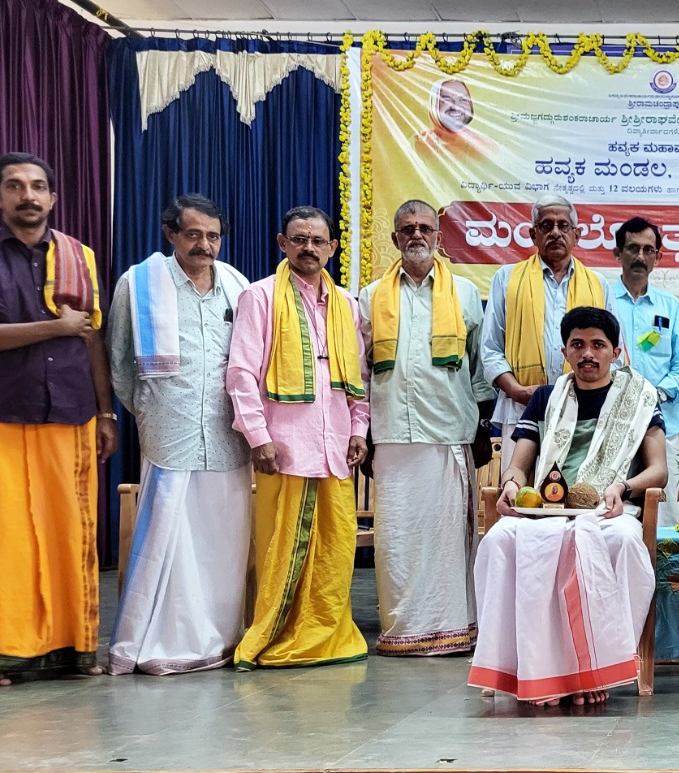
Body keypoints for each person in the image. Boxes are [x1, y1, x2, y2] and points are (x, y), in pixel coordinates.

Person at [0, 152, 118, 688]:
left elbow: (92, 339)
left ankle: (75, 649)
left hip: (71, 413)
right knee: (1, 538)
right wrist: (54, 327)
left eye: (37, 186)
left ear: (53, 197)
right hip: (1, 413)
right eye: (14, 186)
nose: (27, 195)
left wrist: (105, 412)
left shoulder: (79, 256)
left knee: (70, 534)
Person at [470, 306, 666, 705]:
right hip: (547, 509)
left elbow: (659, 470)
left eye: (598, 345)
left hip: (610, 509)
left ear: (616, 352)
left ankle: (598, 669)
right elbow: (519, 464)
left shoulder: (641, 399)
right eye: (578, 344)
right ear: (565, 351)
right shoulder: (546, 397)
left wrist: (623, 486)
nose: (588, 354)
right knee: (499, 541)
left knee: (624, 542)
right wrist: (511, 485)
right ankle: (529, 670)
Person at [106, 194, 253, 675]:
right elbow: (118, 364)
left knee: (223, 541)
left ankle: (221, 639)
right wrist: (155, 409)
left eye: (213, 236)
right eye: (193, 234)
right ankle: (164, 643)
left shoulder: (237, 286)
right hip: (170, 433)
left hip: (228, 437)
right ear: (171, 234)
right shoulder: (139, 284)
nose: (204, 244)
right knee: (170, 542)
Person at [226, 205, 369, 670]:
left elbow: (358, 378)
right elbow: (242, 374)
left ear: (332, 247)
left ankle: (326, 636)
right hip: (285, 448)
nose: (309, 248)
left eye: (318, 240)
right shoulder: (260, 296)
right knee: (281, 549)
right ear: (282, 243)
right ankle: (274, 636)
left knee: (335, 548)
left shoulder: (347, 304)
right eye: (299, 239)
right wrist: (257, 436)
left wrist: (359, 429)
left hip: (335, 450)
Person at [359, 200, 494, 657]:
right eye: (407, 228)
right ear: (395, 237)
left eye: (424, 228)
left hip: (449, 431)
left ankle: (455, 628)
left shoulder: (465, 293)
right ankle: (403, 631)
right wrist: (365, 432)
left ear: (438, 236)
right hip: (392, 434)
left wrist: (482, 426)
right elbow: (361, 373)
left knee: (447, 539)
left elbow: (477, 368)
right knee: (397, 539)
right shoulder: (370, 296)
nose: (416, 235)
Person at [481, 194, 606, 451]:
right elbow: (490, 349)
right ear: (533, 234)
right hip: (521, 409)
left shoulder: (598, 284)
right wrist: (518, 392)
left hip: (584, 413)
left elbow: (613, 351)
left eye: (563, 226)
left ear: (577, 235)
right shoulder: (507, 279)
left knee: (578, 479)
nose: (555, 232)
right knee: (519, 477)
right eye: (547, 226)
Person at [606, 217, 679, 526]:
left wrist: (653, 396)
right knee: (612, 507)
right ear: (618, 253)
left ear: (658, 256)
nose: (640, 256)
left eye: (648, 250)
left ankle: (664, 562)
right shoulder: (603, 301)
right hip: (613, 422)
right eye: (632, 248)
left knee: (667, 514)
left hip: (663, 423)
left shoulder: (670, 307)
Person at [413, 78, 499, 167]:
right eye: (446, 101)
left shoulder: (484, 145)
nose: (456, 107)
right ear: (433, 107)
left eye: (463, 100)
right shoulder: (420, 143)